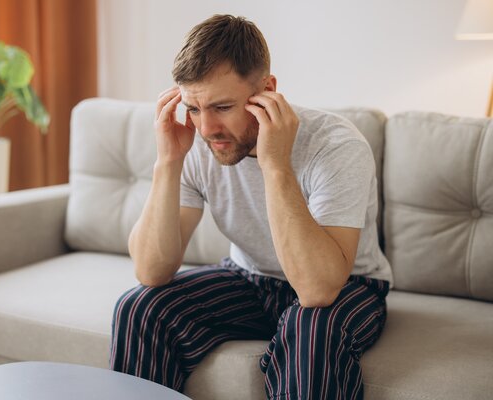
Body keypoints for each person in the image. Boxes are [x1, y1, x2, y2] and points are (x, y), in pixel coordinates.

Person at [110, 14, 392, 400]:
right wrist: (168, 163)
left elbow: (318, 290)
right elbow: (151, 271)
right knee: (140, 307)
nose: (207, 128)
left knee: (311, 328)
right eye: (193, 107)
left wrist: (275, 165)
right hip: (249, 278)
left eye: (222, 106)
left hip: (347, 285)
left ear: (267, 91)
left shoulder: (335, 145)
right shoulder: (197, 142)